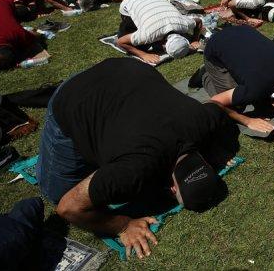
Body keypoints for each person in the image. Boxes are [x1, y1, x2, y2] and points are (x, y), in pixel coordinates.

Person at [35, 58, 238, 258]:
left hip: (124, 68)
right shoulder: (134, 171)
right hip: (75, 95)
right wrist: (123, 226)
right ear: (172, 188)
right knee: (57, 193)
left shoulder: (203, 125)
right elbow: (68, 208)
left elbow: (217, 107)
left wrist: (222, 145)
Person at [202, 25, 274, 133]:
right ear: (273, 104)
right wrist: (247, 121)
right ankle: (205, 75)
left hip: (242, 29)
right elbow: (214, 102)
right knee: (235, 107)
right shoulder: (254, 90)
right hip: (215, 45)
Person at [116, 0, 201, 65]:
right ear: (164, 45)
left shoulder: (184, 25)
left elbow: (199, 21)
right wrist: (143, 54)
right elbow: (120, 42)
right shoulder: (148, 35)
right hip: (128, 3)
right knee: (139, 46)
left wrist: (195, 40)